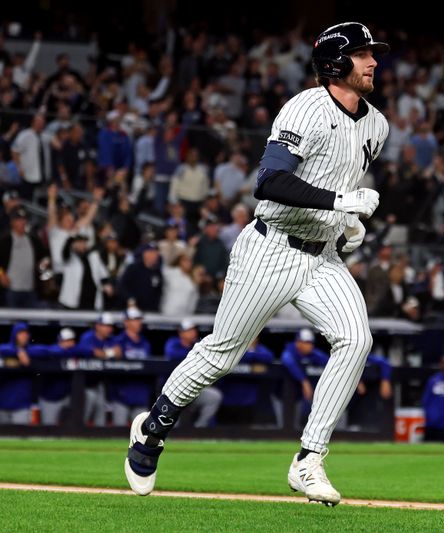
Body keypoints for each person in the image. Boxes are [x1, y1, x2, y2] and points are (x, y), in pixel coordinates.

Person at [125, 22, 389, 507]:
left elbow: (338, 187)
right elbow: (268, 182)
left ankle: (309, 458)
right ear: (335, 62)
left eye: (373, 53)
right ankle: (155, 425)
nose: (373, 61)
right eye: (362, 53)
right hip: (271, 248)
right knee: (221, 354)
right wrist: (339, 202)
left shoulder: (377, 125)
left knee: (356, 339)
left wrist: (348, 223)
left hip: (321, 256)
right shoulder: (303, 108)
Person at [163, 320, 223, 428]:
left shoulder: (199, 344)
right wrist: (195, 354)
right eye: (189, 330)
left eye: (193, 330)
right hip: (175, 389)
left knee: (214, 396)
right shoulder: (173, 343)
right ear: (181, 333)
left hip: (194, 389)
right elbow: (172, 354)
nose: (193, 332)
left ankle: (199, 429)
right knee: (172, 424)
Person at [108, 307, 153, 426]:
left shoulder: (145, 342)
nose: (139, 322)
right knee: (118, 432)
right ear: (126, 322)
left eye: (139, 319)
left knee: (142, 433)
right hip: (121, 393)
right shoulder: (118, 341)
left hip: (140, 393)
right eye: (135, 319)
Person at [217, 336, 275, 425]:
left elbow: (269, 357)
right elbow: (229, 357)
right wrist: (251, 358)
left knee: (245, 428)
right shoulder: (231, 346)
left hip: (248, 398)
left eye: (254, 337)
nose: (251, 339)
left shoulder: (259, 349)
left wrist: (250, 352)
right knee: (225, 427)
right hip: (228, 395)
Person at [0, 322, 48, 424]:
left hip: (22, 405)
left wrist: (26, 356)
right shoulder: (6, 350)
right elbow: (3, 348)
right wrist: (18, 351)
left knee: (21, 437)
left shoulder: (32, 351)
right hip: (2, 404)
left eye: (26, 333)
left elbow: (47, 351)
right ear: (14, 335)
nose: (24, 336)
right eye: (21, 333)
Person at [0, 207, 48, 308]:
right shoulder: (5, 241)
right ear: (12, 222)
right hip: (11, 290)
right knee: (12, 321)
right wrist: (1, 274)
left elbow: (44, 256)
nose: (22, 222)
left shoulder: (33, 240)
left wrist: (44, 263)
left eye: (24, 219)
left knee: (31, 320)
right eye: (19, 220)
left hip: (30, 290)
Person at [78, 313, 120, 426]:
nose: (109, 328)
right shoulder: (88, 337)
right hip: (84, 382)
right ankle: (78, 434)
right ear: (97, 326)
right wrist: (109, 353)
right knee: (84, 413)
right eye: (105, 325)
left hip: (100, 382)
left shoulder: (111, 339)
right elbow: (92, 352)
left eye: (110, 326)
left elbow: (118, 353)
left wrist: (104, 353)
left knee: (100, 413)